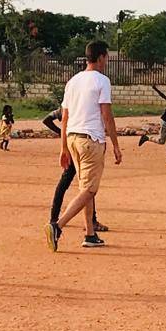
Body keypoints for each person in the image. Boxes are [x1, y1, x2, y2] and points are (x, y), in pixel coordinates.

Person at [45, 40, 122, 251]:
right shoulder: (102, 80)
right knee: (89, 189)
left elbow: (65, 117)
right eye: (106, 57)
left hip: (73, 138)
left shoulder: (73, 81)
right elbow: (107, 115)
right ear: (100, 57)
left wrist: (63, 148)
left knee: (84, 187)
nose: (107, 61)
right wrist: (115, 144)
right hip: (91, 140)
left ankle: (90, 233)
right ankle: (57, 226)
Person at [43, 106, 107, 233]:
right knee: (88, 187)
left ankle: (54, 218)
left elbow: (47, 119)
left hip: (72, 146)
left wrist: (63, 134)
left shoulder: (66, 107)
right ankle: (90, 222)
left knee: (68, 185)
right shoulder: (81, 108)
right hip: (81, 147)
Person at [137, 85, 166, 162]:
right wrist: (156, 89)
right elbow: (163, 96)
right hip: (165, 123)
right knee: (161, 141)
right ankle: (146, 138)